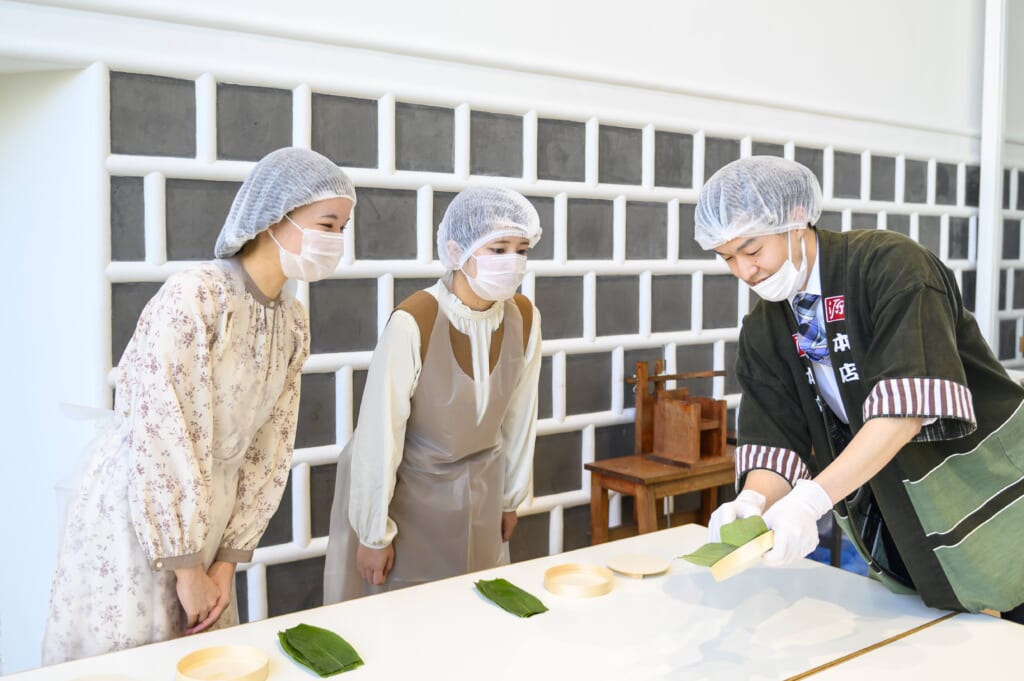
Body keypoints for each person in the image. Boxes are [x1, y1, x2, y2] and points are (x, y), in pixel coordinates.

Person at [43, 147, 357, 663]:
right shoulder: (197, 297)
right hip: (141, 511)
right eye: (327, 224)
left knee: (201, 658)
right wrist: (185, 566)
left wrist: (226, 560)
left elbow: (271, 447)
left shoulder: (292, 321)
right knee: (132, 659)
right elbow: (161, 432)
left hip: (211, 516)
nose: (336, 241)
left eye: (343, 228)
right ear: (273, 217)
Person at [695, 156, 1024, 621]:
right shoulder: (764, 327)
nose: (744, 271)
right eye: (727, 258)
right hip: (902, 501)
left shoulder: (891, 265)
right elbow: (774, 439)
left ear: (795, 218)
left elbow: (905, 411)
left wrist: (811, 499)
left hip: (987, 473)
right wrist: (752, 501)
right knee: (941, 630)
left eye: (752, 251)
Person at [323, 186, 543, 603]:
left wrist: (510, 499)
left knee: (477, 611)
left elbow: (520, 417)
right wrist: (373, 533)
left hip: (482, 498)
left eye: (521, 250)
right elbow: (379, 433)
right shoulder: (415, 321)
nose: (513, 262)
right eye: (498, 249)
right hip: (410, 506)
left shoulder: (524, 318)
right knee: (411, 615)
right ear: (458, 251)